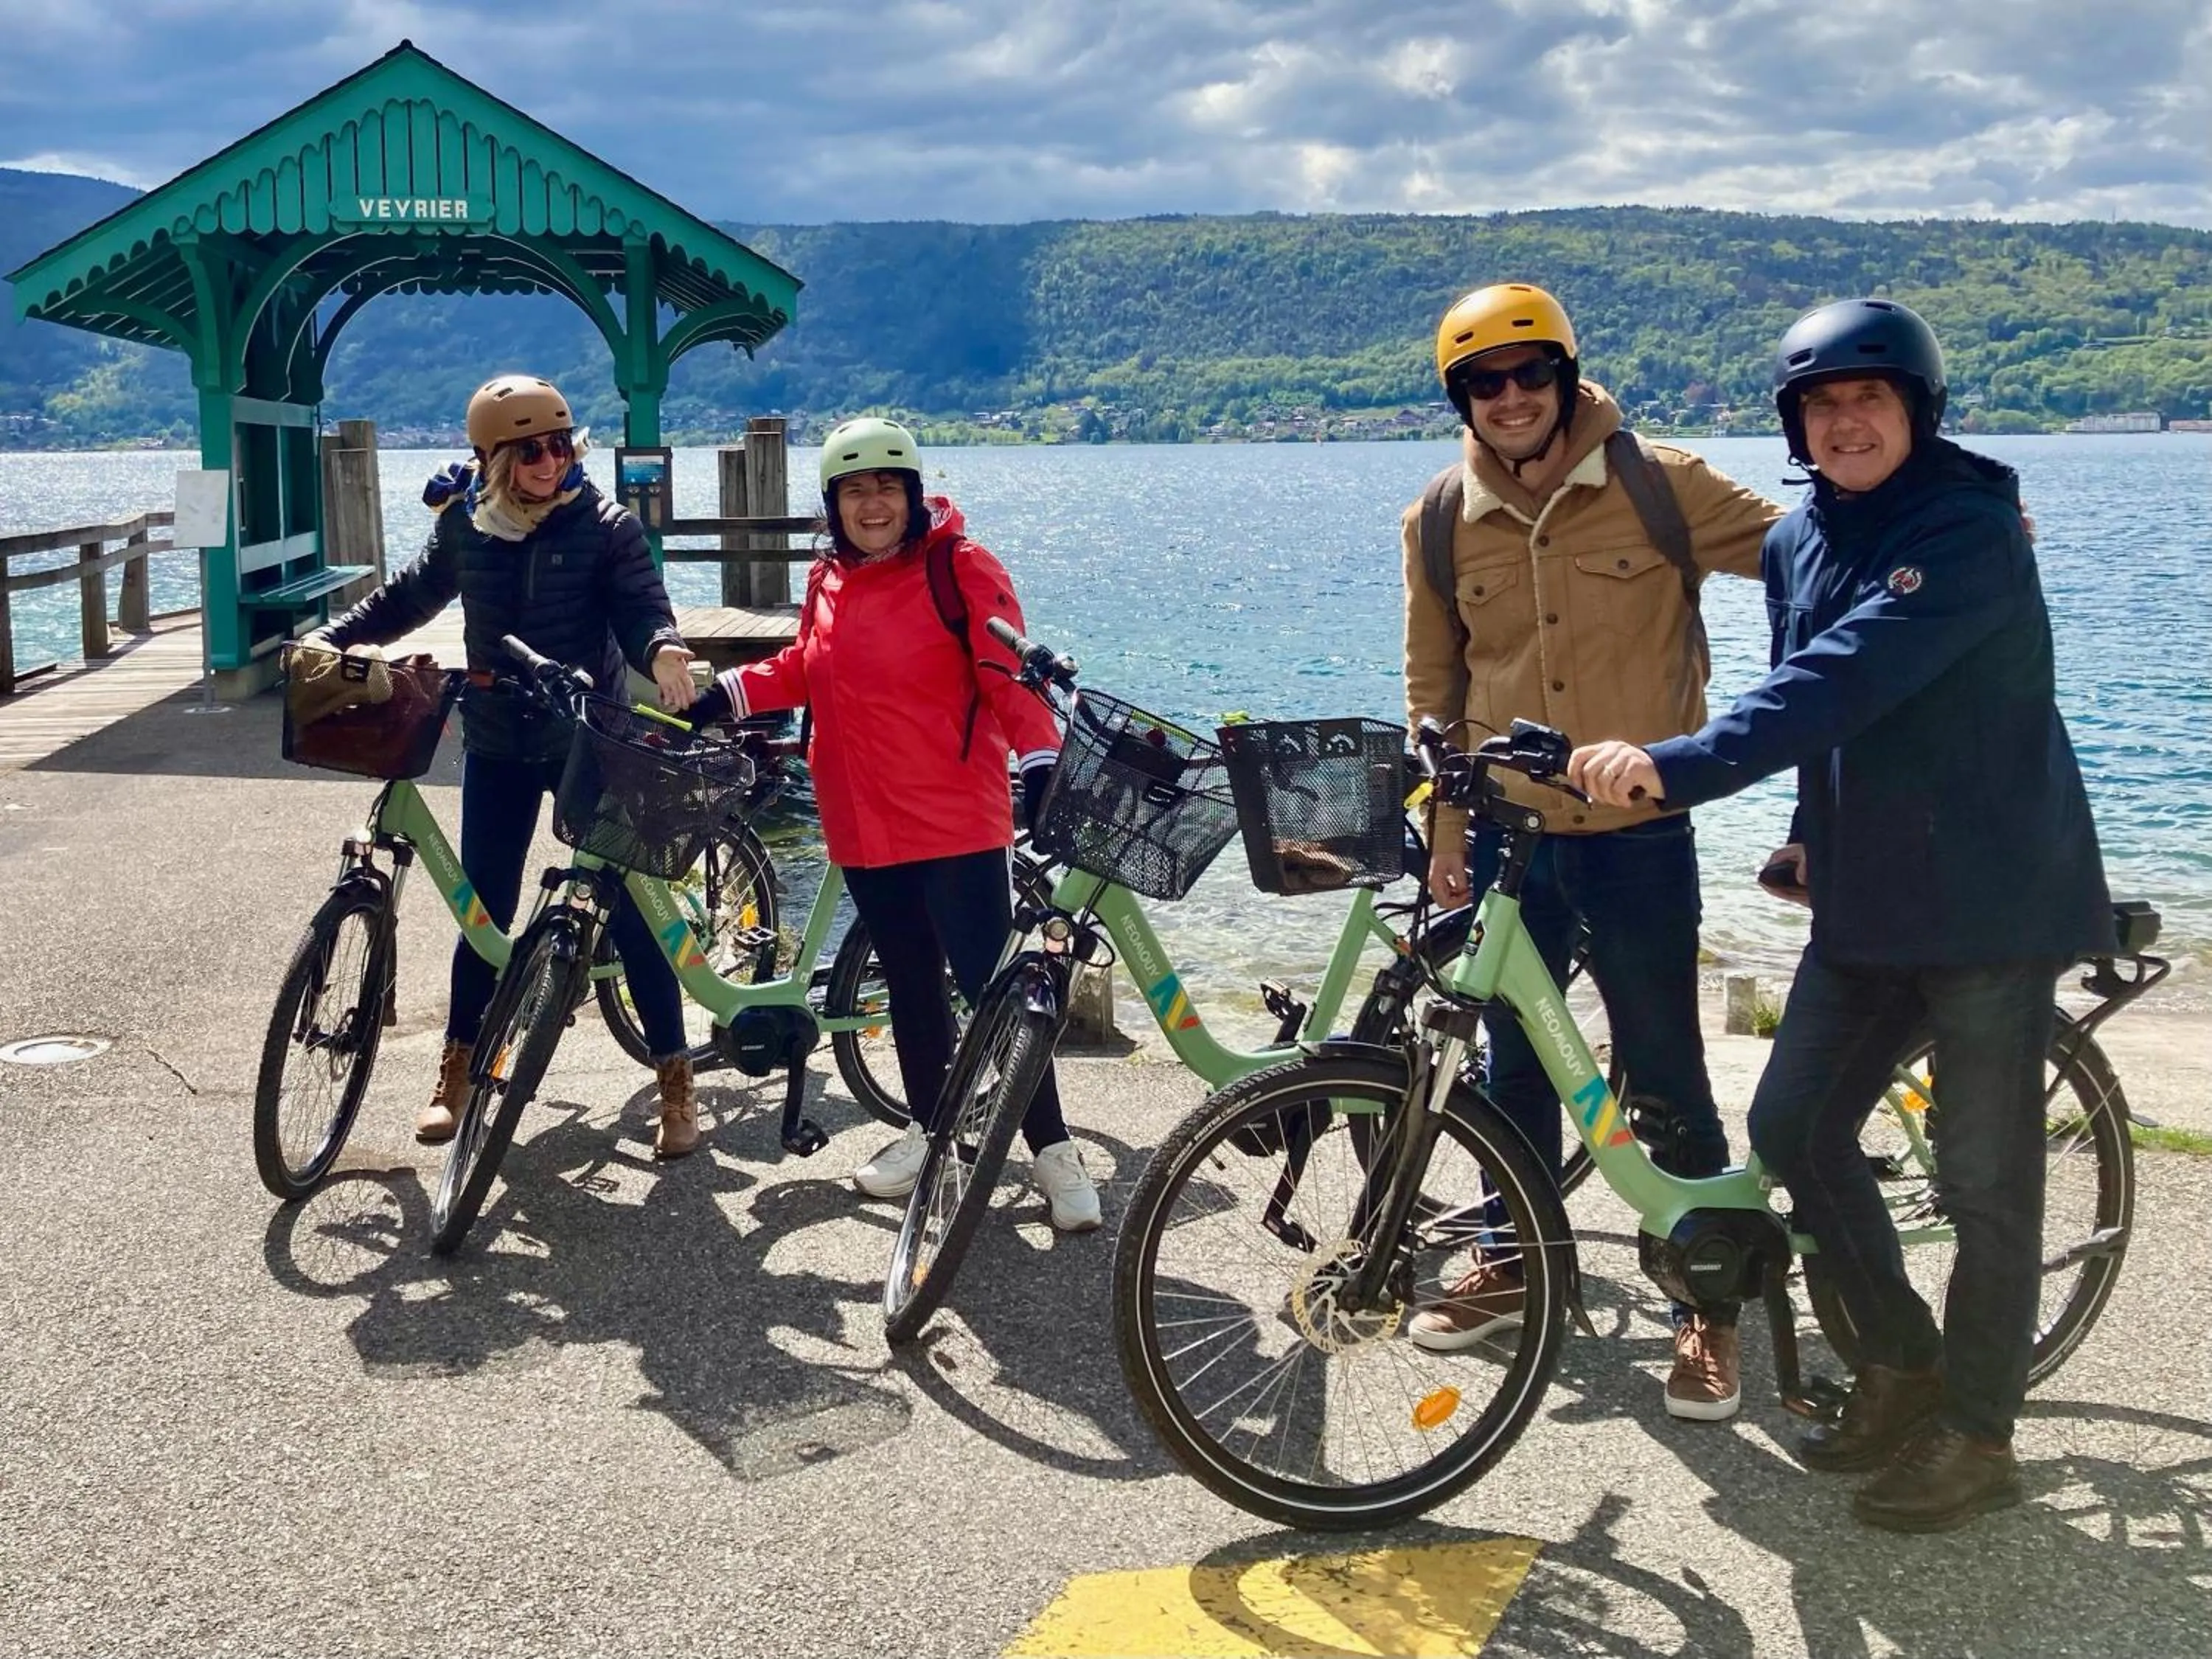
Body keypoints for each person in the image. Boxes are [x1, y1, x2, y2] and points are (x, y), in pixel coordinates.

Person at [1570, 296, 2112, 1531]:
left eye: (1870, 399)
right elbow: (1817, 709)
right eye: (1821, 405)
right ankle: (1901, 1362)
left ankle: (1979, 1434)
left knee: (1985, 1186)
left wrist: (1686, 762)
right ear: (1796, 428)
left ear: (1917, 411)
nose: (1845, 420)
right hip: (1867, 898)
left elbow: (1848, 671)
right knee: (1797, 1130)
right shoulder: (1795, 541)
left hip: (1988, 901)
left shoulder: (1969, 531)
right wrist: (1809, 834)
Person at [1401, 282, 1787, 1422]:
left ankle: (1703, 1298)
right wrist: (1446, 829)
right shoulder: (1436, 519)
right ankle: (1520, 1258)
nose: (1510, 397)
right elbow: (1435, 688)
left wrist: (1939, 524)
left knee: (1664, 1065)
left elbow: (1803, 550)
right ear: (1461, 399)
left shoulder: (1661, 486)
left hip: (1635, 833)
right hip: (1512, 839)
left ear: (1565, 376)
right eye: (1483, 382)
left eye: (1529, 373)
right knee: (1509, 1066)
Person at [691, 417, 1100, 1231]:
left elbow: (1007, 675)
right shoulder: (828, 582)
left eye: (886, 486)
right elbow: (807, 664)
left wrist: (1040, 759)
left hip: (954, 819)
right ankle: (930, 1133)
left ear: (913, 494)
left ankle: (1055, 1153)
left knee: (994, 995)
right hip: (862, 821)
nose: (870, 504)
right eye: (853, 490)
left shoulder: (961, 567)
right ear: (832, 505)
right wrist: (727, 695)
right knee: (911, 990)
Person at [307, 375, 706, 1158]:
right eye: (531, 452)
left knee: (630, 905)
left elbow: (640, 606)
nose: (551, 462)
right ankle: (456, 1075)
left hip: (584, 735)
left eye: (561, 445)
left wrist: (663, 648)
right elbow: (408, 598)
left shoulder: (606, 525)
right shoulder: (468, 527)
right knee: (483, 912)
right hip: (495, 736)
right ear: (492, 458)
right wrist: (336, 638)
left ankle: (676, 1083)